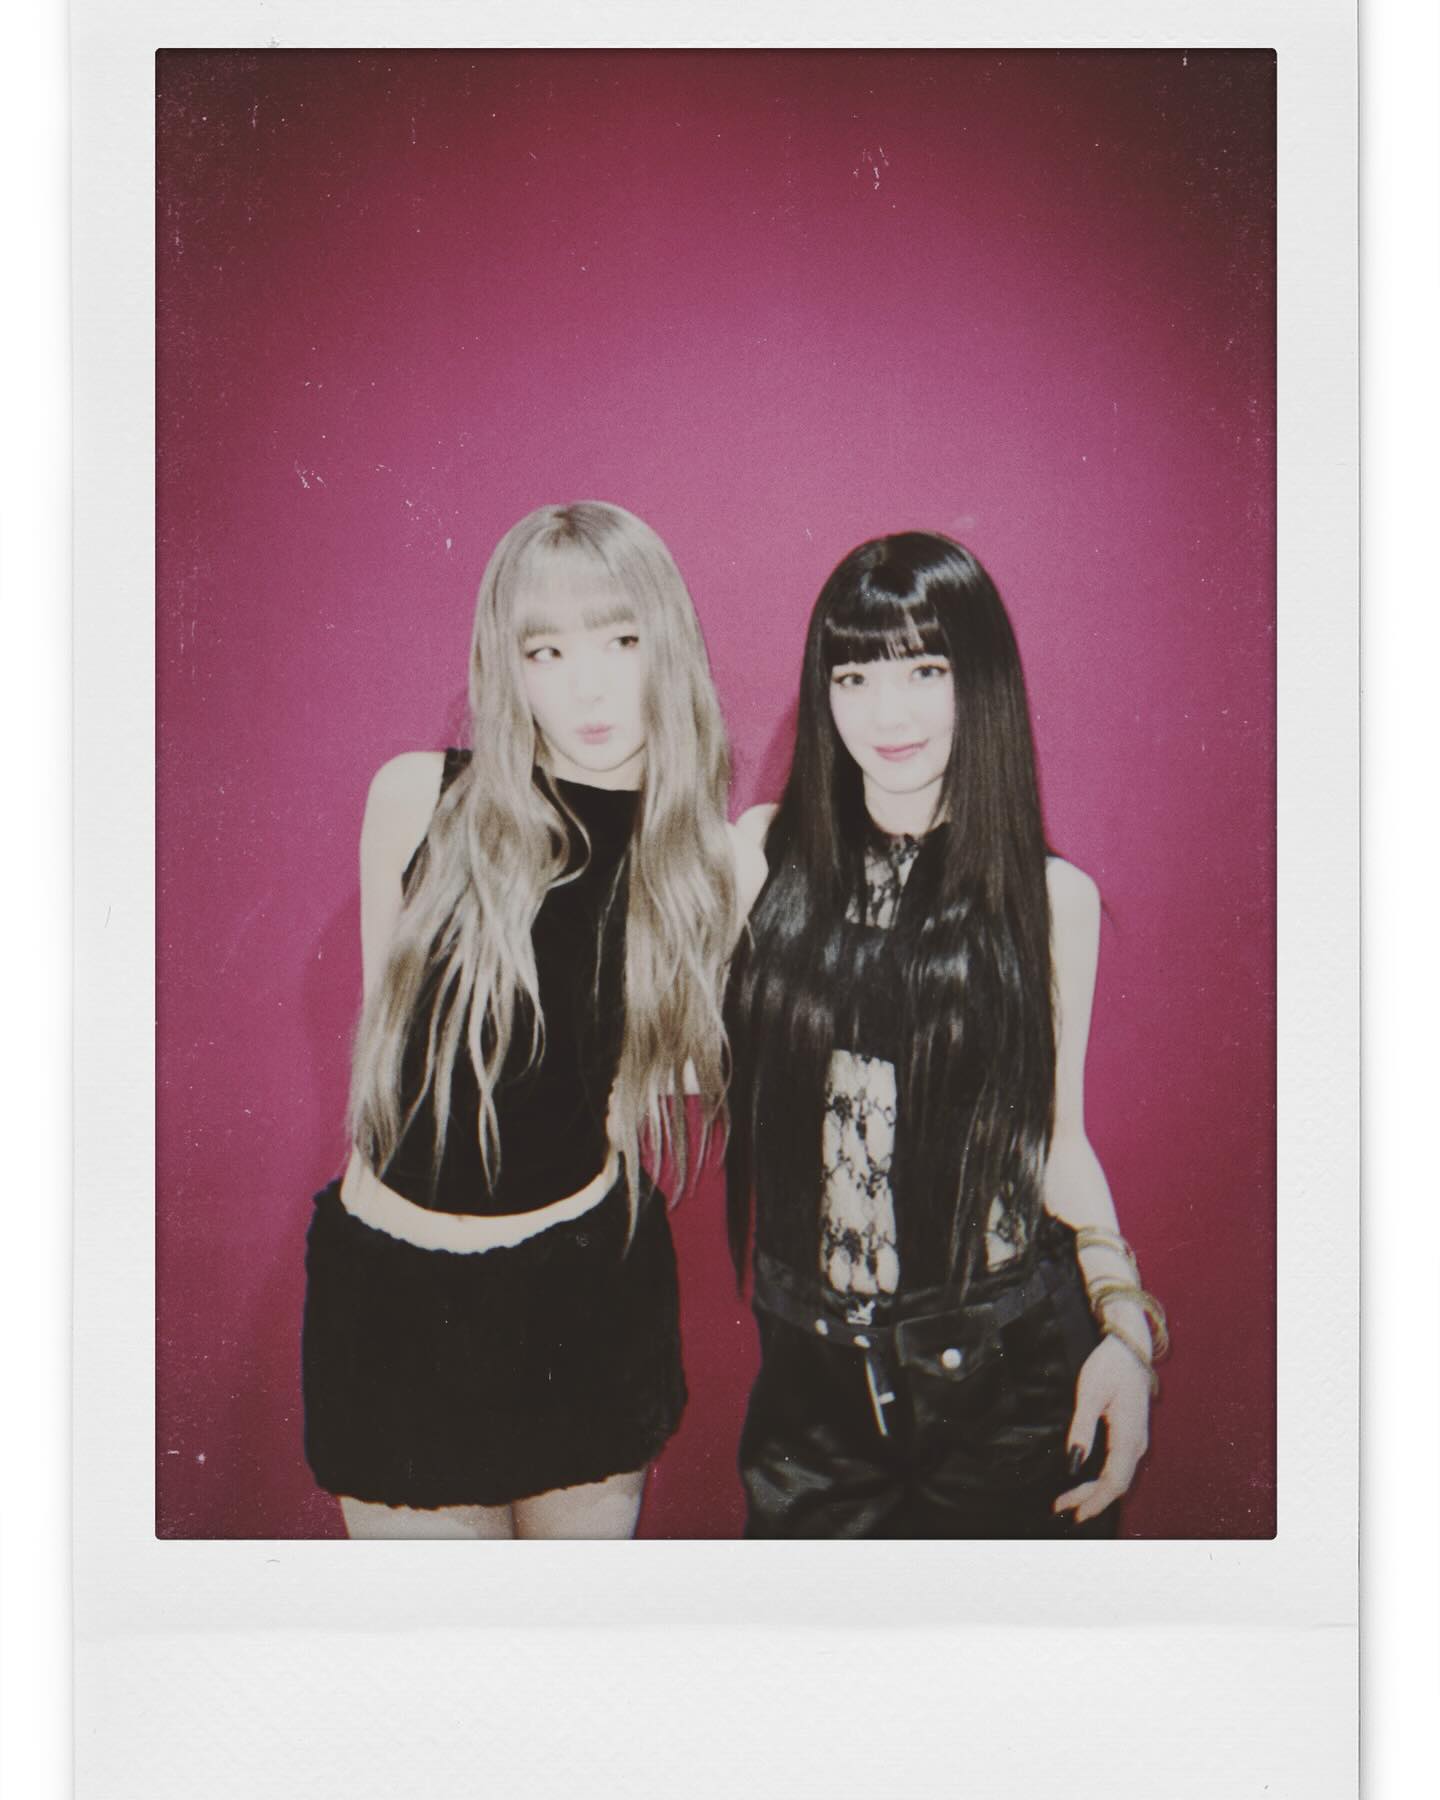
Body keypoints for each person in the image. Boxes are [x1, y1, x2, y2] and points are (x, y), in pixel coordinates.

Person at [302, 501, 763, 1539]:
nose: (586, 686)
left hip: (580, 1303)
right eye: (545, 651)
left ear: (668, 643)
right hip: (396, 1306)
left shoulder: (711, 861)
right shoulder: (417, 798)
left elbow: (677, 1079)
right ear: (506, 666)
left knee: (570, 1635)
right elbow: (391, 1059)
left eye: (621, 640)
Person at [725, 531, 1167, 1537]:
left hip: (1006, 1385)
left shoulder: (1051, 901)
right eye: (855, 675)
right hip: (812, 1399)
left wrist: (1126, 1334)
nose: (889, 713)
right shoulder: (759, 858)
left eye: (926, 670)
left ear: (982, 680)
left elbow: (1055, 1141)